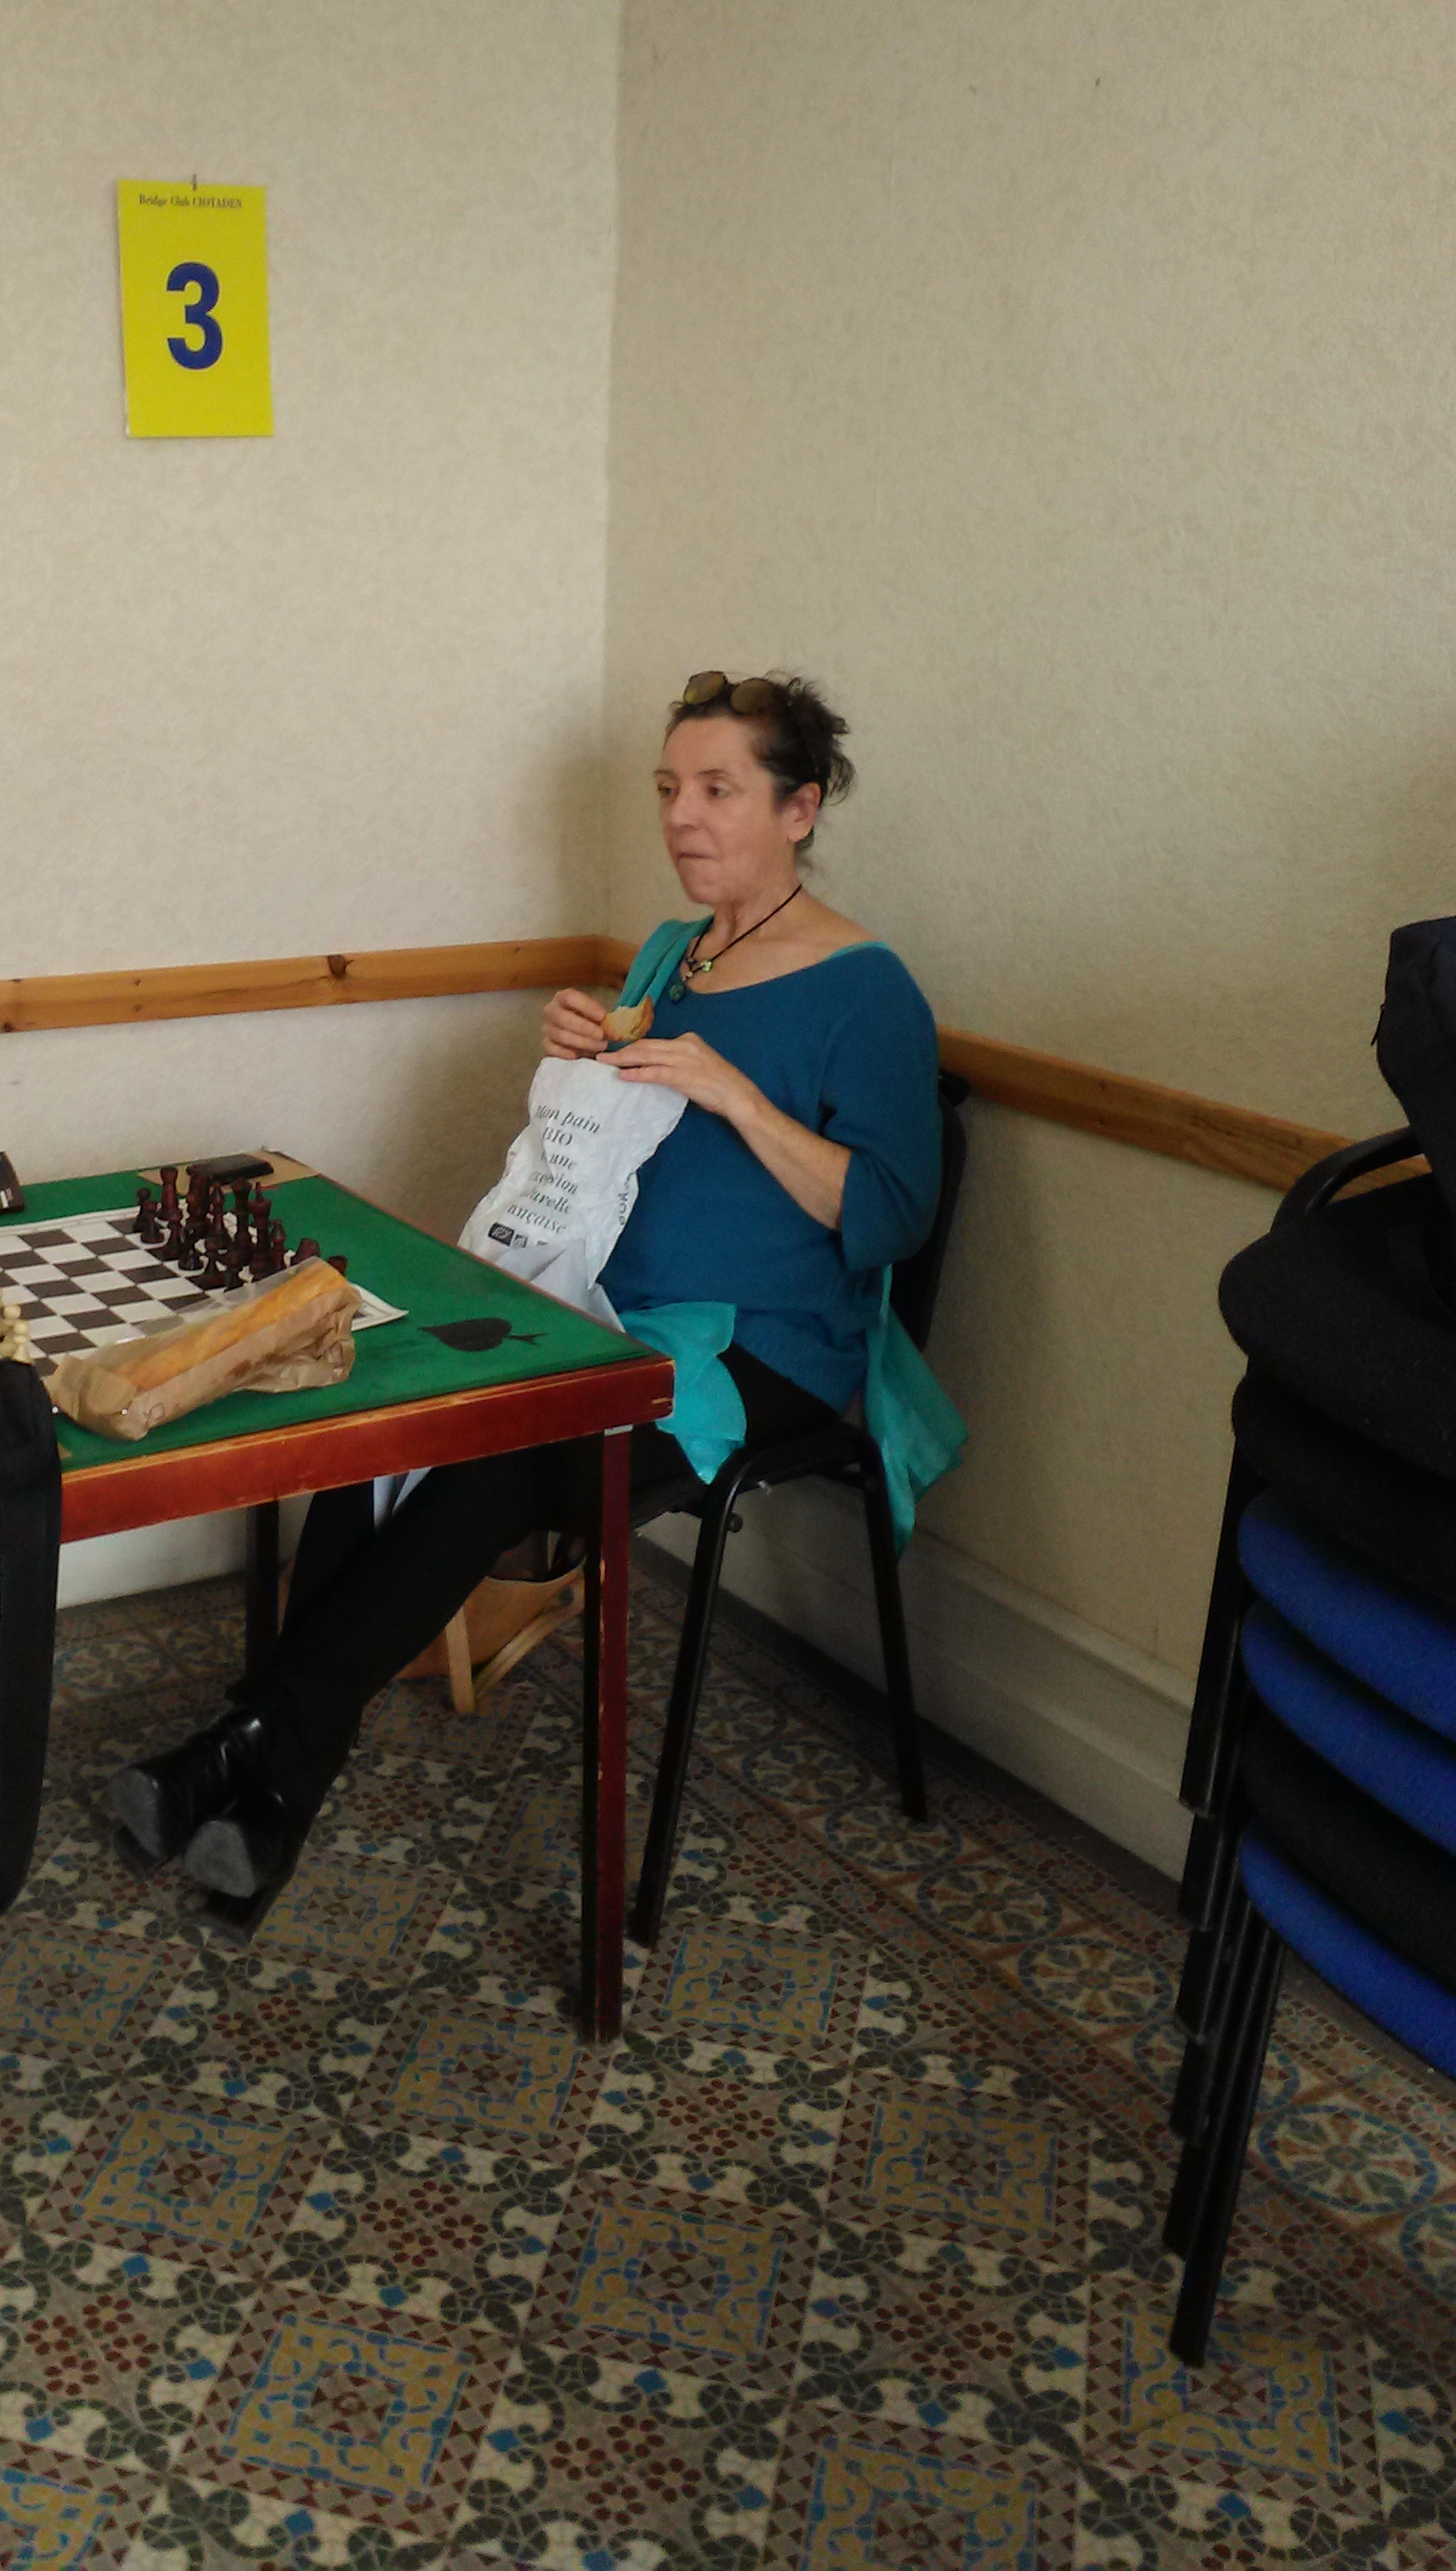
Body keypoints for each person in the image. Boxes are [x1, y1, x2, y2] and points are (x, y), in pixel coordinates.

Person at [107, 669, 945, 1931]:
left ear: (801, 807)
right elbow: (612, 1139)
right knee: (390, 1405)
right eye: (668, 788)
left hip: (762, 1350)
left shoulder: (868, 990)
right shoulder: (671, 953)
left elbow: (892, 1213)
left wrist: (736, 1096)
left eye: (719, 789)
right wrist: (582, 1049)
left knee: (500, 1446)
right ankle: (273, 1779)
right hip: (600, 1305)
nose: (682, 815)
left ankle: (255, 1752)